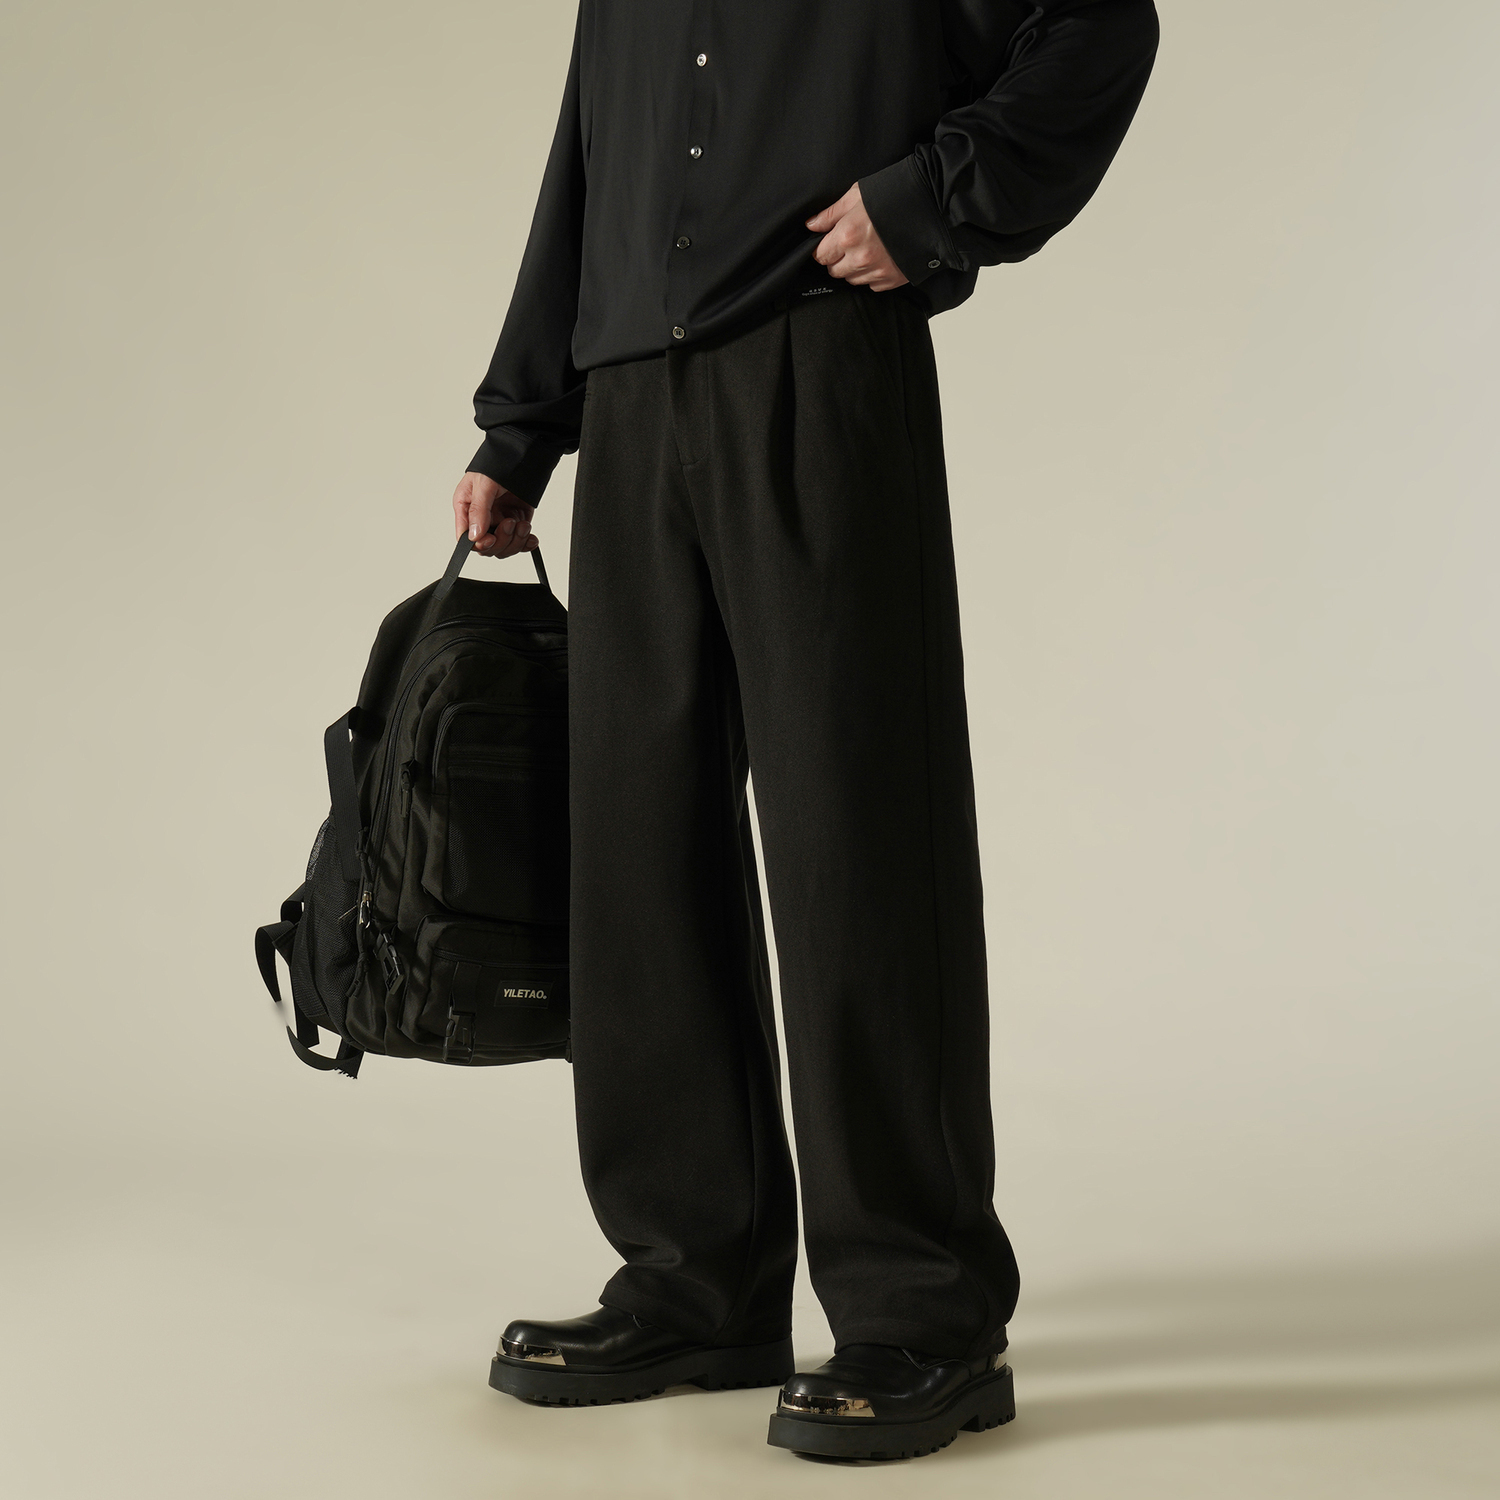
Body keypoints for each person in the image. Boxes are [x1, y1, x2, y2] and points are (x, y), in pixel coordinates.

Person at [451, 0, 1158, 1462]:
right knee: (638, 853)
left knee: (857, 838)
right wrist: (522, 423)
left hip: (819, 362)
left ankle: (924, 1311)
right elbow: (587, 151)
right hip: (632, 399)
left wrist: (933, 201)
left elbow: (1098, 24)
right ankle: (695, 1280)